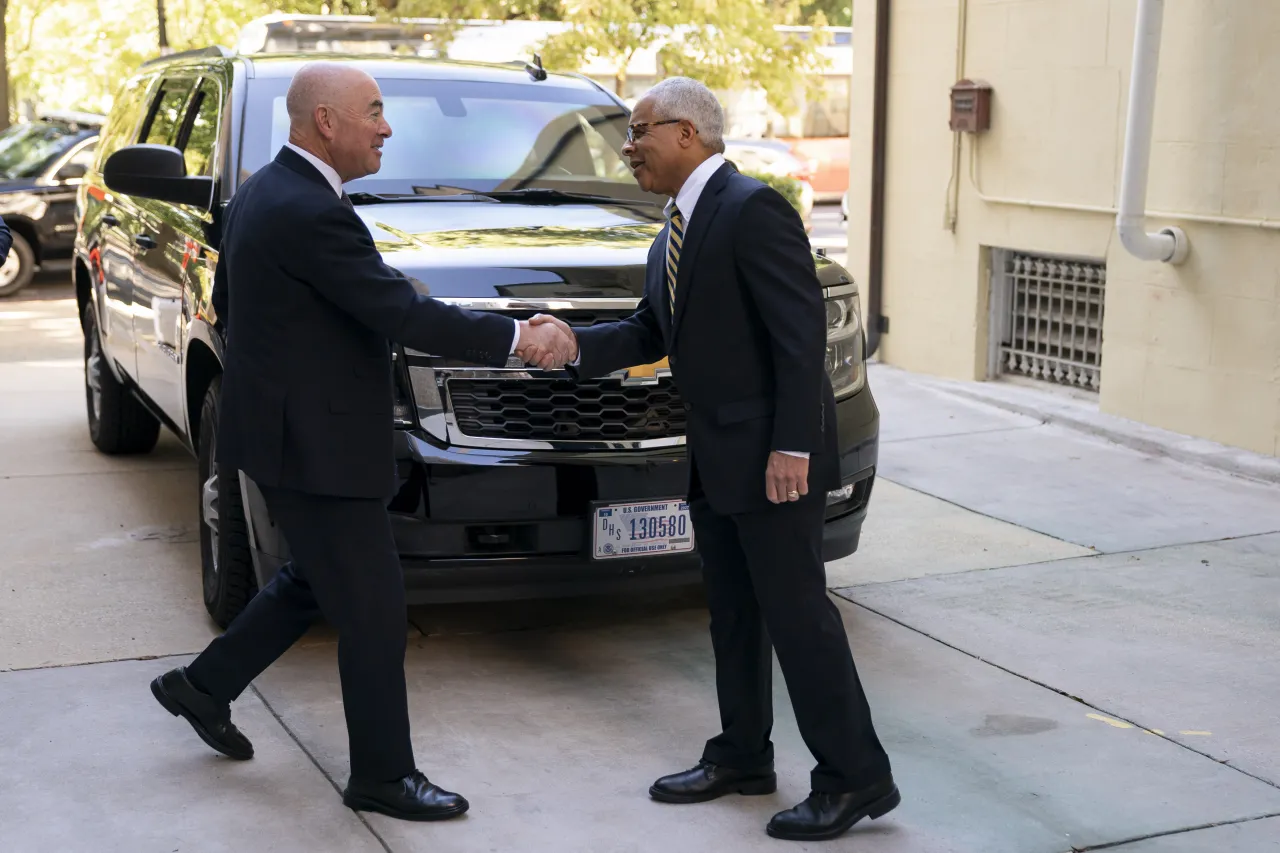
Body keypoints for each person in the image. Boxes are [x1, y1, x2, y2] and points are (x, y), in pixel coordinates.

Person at [149, 61, 574, 822]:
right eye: (374, 111)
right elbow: (396, 314)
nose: (386, 126)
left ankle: (202, 686)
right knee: (376, 610)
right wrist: (518, 336)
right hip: (317, 447)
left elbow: (321, 297)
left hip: (290, 435)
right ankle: (382, 774)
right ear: (325, 122)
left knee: (312, 580)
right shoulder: (309, 208)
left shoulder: (267, 192)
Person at [522, 77, 898, 842]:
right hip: (717, 458)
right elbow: (644, 335)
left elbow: (798, 336)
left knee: (799, 620)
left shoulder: (751, 208)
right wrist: (569, 345)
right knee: (733, 613)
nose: (627, 147)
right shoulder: (672, 233)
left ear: (688, 133)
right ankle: (742, 754)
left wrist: (793, 444)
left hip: (772, 459)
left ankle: (856, 777)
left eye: (639, 131)